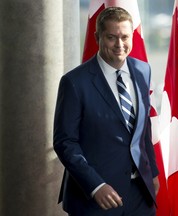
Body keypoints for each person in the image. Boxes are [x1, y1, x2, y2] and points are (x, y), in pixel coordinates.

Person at [53, 6, 160, 216]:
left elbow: (143, 127)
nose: (120, 45)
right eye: (112, 37)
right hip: (96, 199)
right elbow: (65, 142)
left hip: (140, 194)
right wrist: (95, 186)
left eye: (125, 37)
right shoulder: (74, 82)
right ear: (97, 37)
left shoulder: (142, 70)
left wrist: (153, 172)